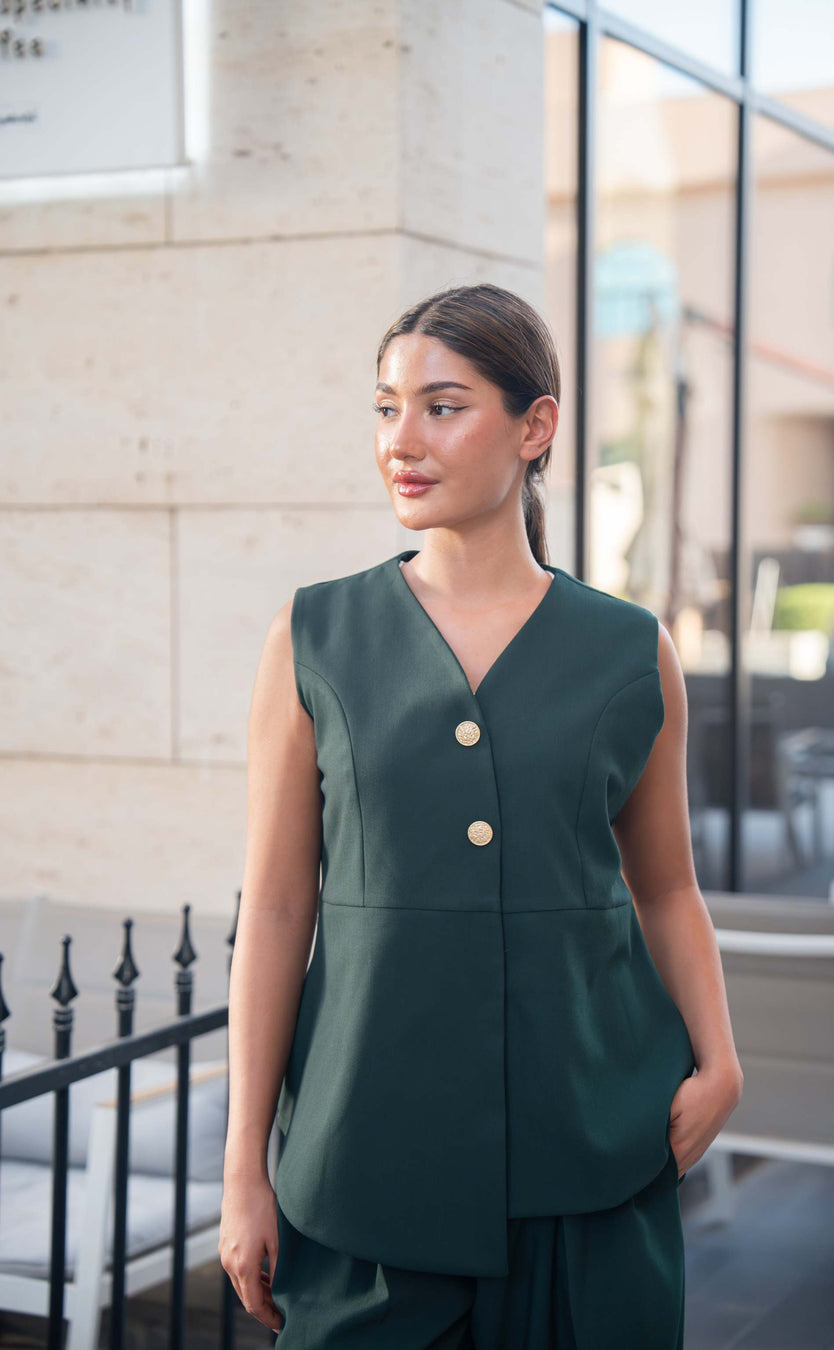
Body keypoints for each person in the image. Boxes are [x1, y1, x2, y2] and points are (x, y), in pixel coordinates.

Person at [219, 282, 743, 1347]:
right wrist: (242, 1173)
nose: (401, 441)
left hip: (592, 1170)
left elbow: (666, 887)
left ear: (535, 425)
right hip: (363, 1174)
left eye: (442, 406)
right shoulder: (312, 636)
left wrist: (723, 1059)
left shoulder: (631, 649)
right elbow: (276, 907)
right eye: (385, 407)